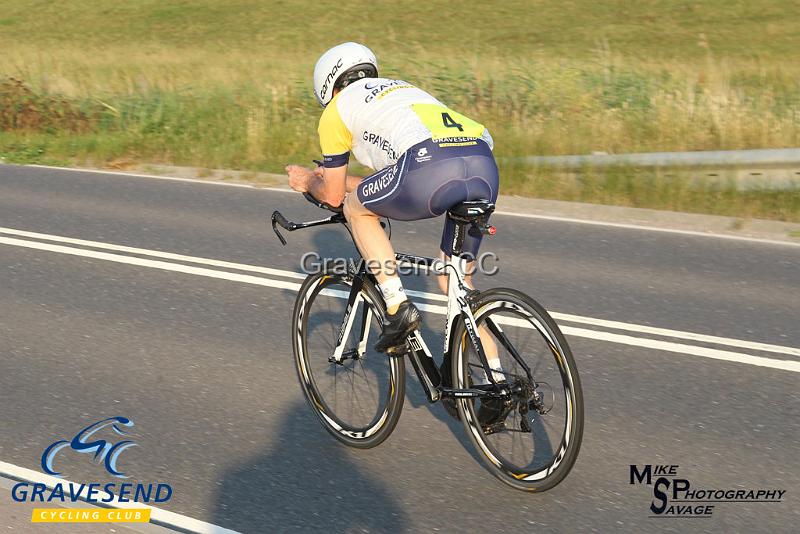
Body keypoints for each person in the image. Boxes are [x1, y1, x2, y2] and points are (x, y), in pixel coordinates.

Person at [286, 42, 499, 353]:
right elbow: (396, 178)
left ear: (328, 87)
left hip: (428, 166)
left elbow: (333, 197)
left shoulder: (337, 109)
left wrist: (307, 181)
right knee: (455, 283)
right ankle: (496, 381)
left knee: (355, 209)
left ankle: (397, 306)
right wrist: (346, 183)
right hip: (482, 164)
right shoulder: (398, 92)